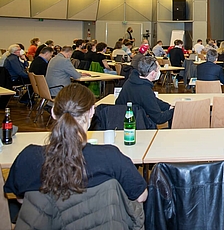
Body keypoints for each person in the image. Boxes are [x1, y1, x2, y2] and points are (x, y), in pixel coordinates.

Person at [4, 84, 147, 211]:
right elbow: (141, 196)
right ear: (92, 112)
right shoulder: (110, 157)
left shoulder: (27, 158)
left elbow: (22, 199)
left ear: (53, 112)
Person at [116, 56, 174, 126]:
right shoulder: (145, 90)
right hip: (139, 125)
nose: (159, 72)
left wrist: (168, 107)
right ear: (152, 73)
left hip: (122, 120)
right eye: (158, 70)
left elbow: (152, 100)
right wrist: (173, 111)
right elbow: (159, 118)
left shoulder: (131, 81)